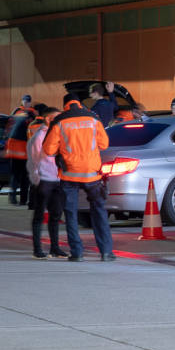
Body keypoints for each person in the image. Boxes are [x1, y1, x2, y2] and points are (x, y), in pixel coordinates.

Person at [43, 95, 113, 262]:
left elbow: (48, 150)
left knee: (71, 213)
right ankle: (106, 252)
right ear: (79, 104)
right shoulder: (93, 119)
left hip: (69, 175)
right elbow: (104, 144)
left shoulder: (60, 121)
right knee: (99, 210)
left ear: (65, 105)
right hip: (92, 173)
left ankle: (77, 253)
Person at [26, 107, 68, 259]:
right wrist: (36, 179)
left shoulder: (58, 135)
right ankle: (37, 250)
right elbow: (33, 160)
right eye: (57, 118)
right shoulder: (38, 137)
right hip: (44, 180)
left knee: (55, 215)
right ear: (49, 119)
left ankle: (55, 248)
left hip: (57, 179)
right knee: (39, 215)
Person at [5, 108, 32, 207]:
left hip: (12, 153)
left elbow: (7, 133)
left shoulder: (16, 119)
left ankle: (12, 197)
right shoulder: (28, 122)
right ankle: (23, 200)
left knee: (15, 176)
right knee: (25, 177)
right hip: (23, 154)